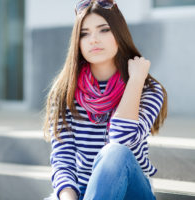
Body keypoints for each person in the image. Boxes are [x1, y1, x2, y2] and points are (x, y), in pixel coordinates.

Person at [42, 0, 168, 200]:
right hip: (82, 193)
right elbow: (63, 161)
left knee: (115, 152)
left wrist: (135, 81)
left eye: (104, 30)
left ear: (119, 34)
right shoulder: (64, 92)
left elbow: (121, 139)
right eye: (84, 33)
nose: (93, 39)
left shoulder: (147, 90)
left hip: (130, 192)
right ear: (77, 41)